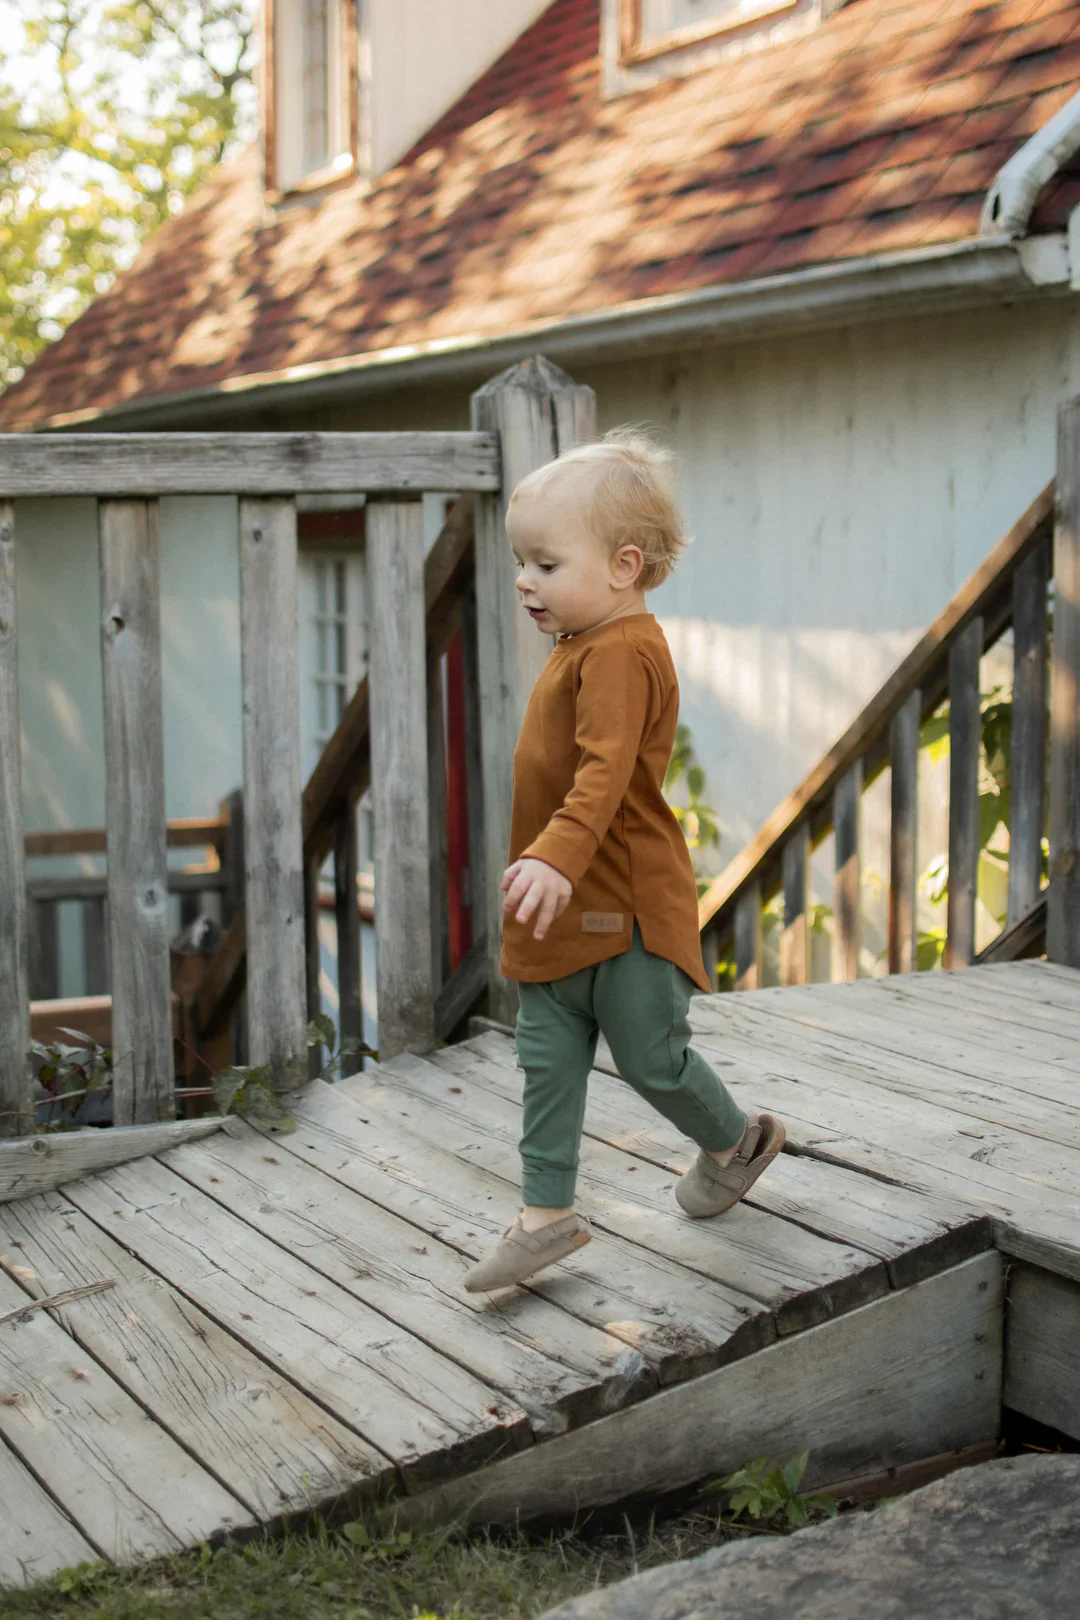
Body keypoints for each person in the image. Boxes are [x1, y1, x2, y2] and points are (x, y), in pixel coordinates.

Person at [464, 431, 785, 1294]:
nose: (524, 580)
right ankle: (544, 1218)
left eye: (545, 563)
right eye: (520, 563)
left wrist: (554, 856)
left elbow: (605, 774)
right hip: (562, 907)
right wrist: (552, 869)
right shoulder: (581, 643)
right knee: (546, 1060)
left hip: (624, 909)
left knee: (650, 1057)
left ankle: (737, 1143)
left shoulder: (621, 653)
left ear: (623, 566)